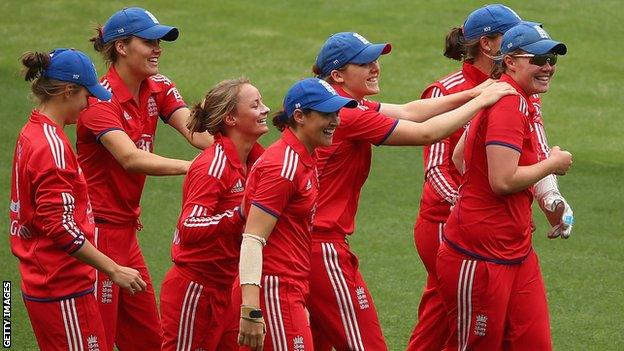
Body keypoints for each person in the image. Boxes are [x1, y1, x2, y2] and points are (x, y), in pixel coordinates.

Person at [306, 32, 517, 351]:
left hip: (309, 242)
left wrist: (473, 91)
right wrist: (481, 101)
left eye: (375, 59)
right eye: (365, 63)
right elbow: (424, 132)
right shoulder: (346, 115)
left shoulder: (341, 103)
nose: (375, 67)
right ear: (338, 74)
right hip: (321, 246)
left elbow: (409, 111)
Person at [78, 7, 213, 350]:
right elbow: (129, 158)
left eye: (160, 42)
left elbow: (197, 134)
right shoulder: (98, 99)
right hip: (97, 232)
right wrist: (193, 168)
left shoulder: (159, 87)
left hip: (125, 232)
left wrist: (237, 147)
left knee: (148, 340)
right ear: (122, 47)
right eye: (149, 41)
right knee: (99, 339)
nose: (158, 49)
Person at [436, 22, 571, 350]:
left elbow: (459, 157)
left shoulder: (512, 94)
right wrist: (552, 165)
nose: (548, 66)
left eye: (552, 58)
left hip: (515, 249)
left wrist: (548, 199)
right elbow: (502, 181)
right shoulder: (508, 104)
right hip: (479, 257)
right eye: (538, 58)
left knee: (534, 343)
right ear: (510, 61)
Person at [9, 48, 146, 351]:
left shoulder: (31, 132)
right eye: (86, 95)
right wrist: (113, 268)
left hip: (45, 279)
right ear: (68, 91)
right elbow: (59, 226)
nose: (87, 104)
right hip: (61, 285)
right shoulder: (51, 147)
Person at [407, 5, 524, 350]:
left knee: (442, 316)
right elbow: (436, 169)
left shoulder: (515, 85)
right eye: (513, 37)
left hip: (486, 224)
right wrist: (471, 207)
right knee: (465, 317)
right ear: (488, 45)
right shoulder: (448, 90)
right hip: (446, 223)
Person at [236, 78, 358, 351]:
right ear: (300, 116)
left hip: (288, 286)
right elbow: (252, 238)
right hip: (274, 289)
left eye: (337, 113)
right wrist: (251, 310)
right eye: (326, 114)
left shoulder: (305, 156)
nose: (335, 121)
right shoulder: (284, 166)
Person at [160, 77, 269, 351]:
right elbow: (189, 226)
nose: (266, 109)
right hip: (195, 290)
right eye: (256, 105)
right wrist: (239, 214)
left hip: (227, 288)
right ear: (231, 118)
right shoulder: (212, 166)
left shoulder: (257, 160)